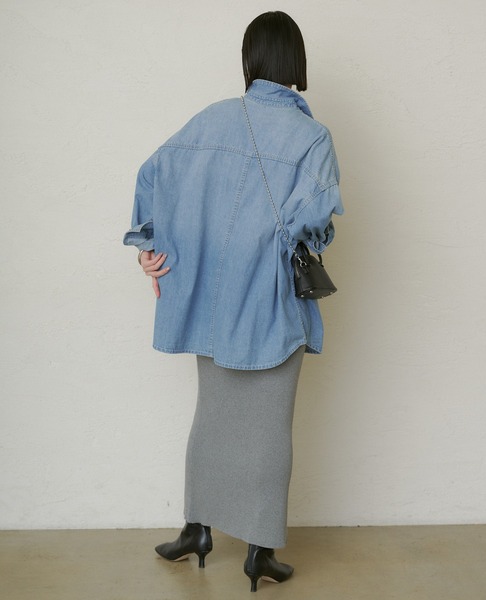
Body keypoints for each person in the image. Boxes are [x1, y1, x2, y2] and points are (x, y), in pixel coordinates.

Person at [123, 10, 343, 593]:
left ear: (249, 61)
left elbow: (154, 177)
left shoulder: (208, 121)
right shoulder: (312, 138)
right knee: (270, 428)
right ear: (296, 62)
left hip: (212, 304)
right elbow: (315, 222)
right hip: (270, 301)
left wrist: (148, 247)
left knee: (212, 415)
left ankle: (196, 531)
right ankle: (259, 553)